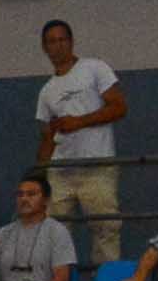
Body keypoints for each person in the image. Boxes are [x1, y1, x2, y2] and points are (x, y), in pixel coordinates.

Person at [30, 18, 128, 262]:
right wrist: (39, 177)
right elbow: (47, 138)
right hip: (61, 172)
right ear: (45, 48)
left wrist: (80, 121)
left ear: (71, 42)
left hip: (96, 166)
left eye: (62, 40)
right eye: (52, 42)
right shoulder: (47, 91)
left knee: (106, 229)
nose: (58, 46)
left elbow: (119, 107)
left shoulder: (95, 68)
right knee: (54, 233)